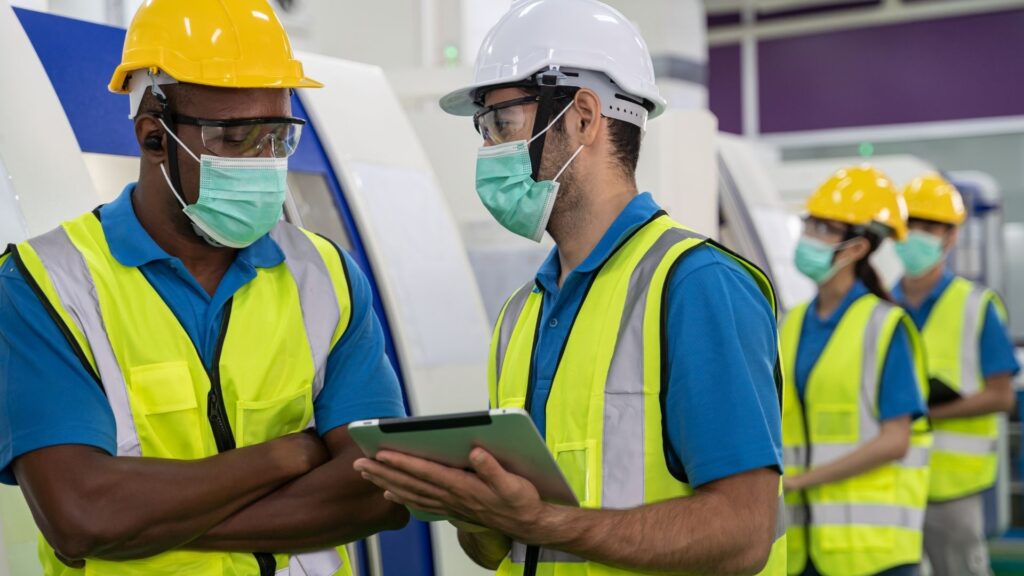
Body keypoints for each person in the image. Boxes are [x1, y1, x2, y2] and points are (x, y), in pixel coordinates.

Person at [354, 1, 787, 574]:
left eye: (501, 122)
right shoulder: (521, 313)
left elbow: (743, 534)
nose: (488, 150)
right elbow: (500, 548)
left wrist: (542, 522)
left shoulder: (697, 286)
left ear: (583, 115)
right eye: (484, 129)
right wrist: (470, 508)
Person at [0, 1, 408, 574]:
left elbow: (381, 493)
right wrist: (288, 454)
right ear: (153, 138)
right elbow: (82, 515)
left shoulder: (326, 276)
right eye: (235, 137)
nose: (264, 161)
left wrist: (142, 524)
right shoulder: (46, 286)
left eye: (277, 135)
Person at [781, 165, 931, 576]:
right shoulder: (791, 325)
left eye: (824, 227)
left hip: (873, 553)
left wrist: (801, 482)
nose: (809, 236)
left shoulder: (885, 327)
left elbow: (895, 441)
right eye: (808, 223)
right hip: (802, 548)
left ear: (857, 247)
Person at [892, 173, 1020, 576]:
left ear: (950, 237)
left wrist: (926, 414)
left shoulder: (976, 306)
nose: (916, 235)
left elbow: (1003, 396)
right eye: (910, 224)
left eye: (928, 227)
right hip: (890, 480)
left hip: (953, 489)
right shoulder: (879, 305)